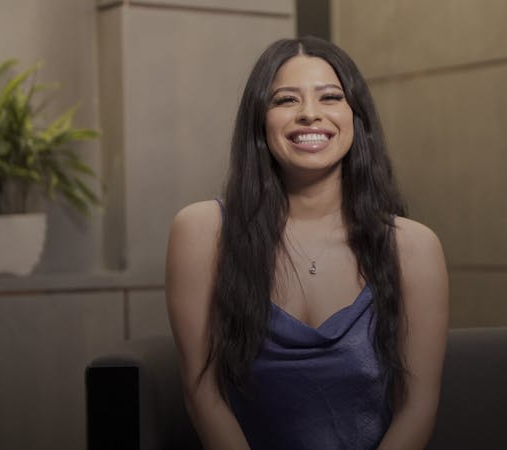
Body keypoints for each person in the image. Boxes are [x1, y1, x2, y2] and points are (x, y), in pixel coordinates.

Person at [165, 36, 448, 450]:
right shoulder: (202, 231)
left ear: (356, 116)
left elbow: (418, 408)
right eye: (285, 100)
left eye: (330, 97)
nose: (310, 115)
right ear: (260, 119)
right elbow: (202, 395)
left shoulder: (413, 247)